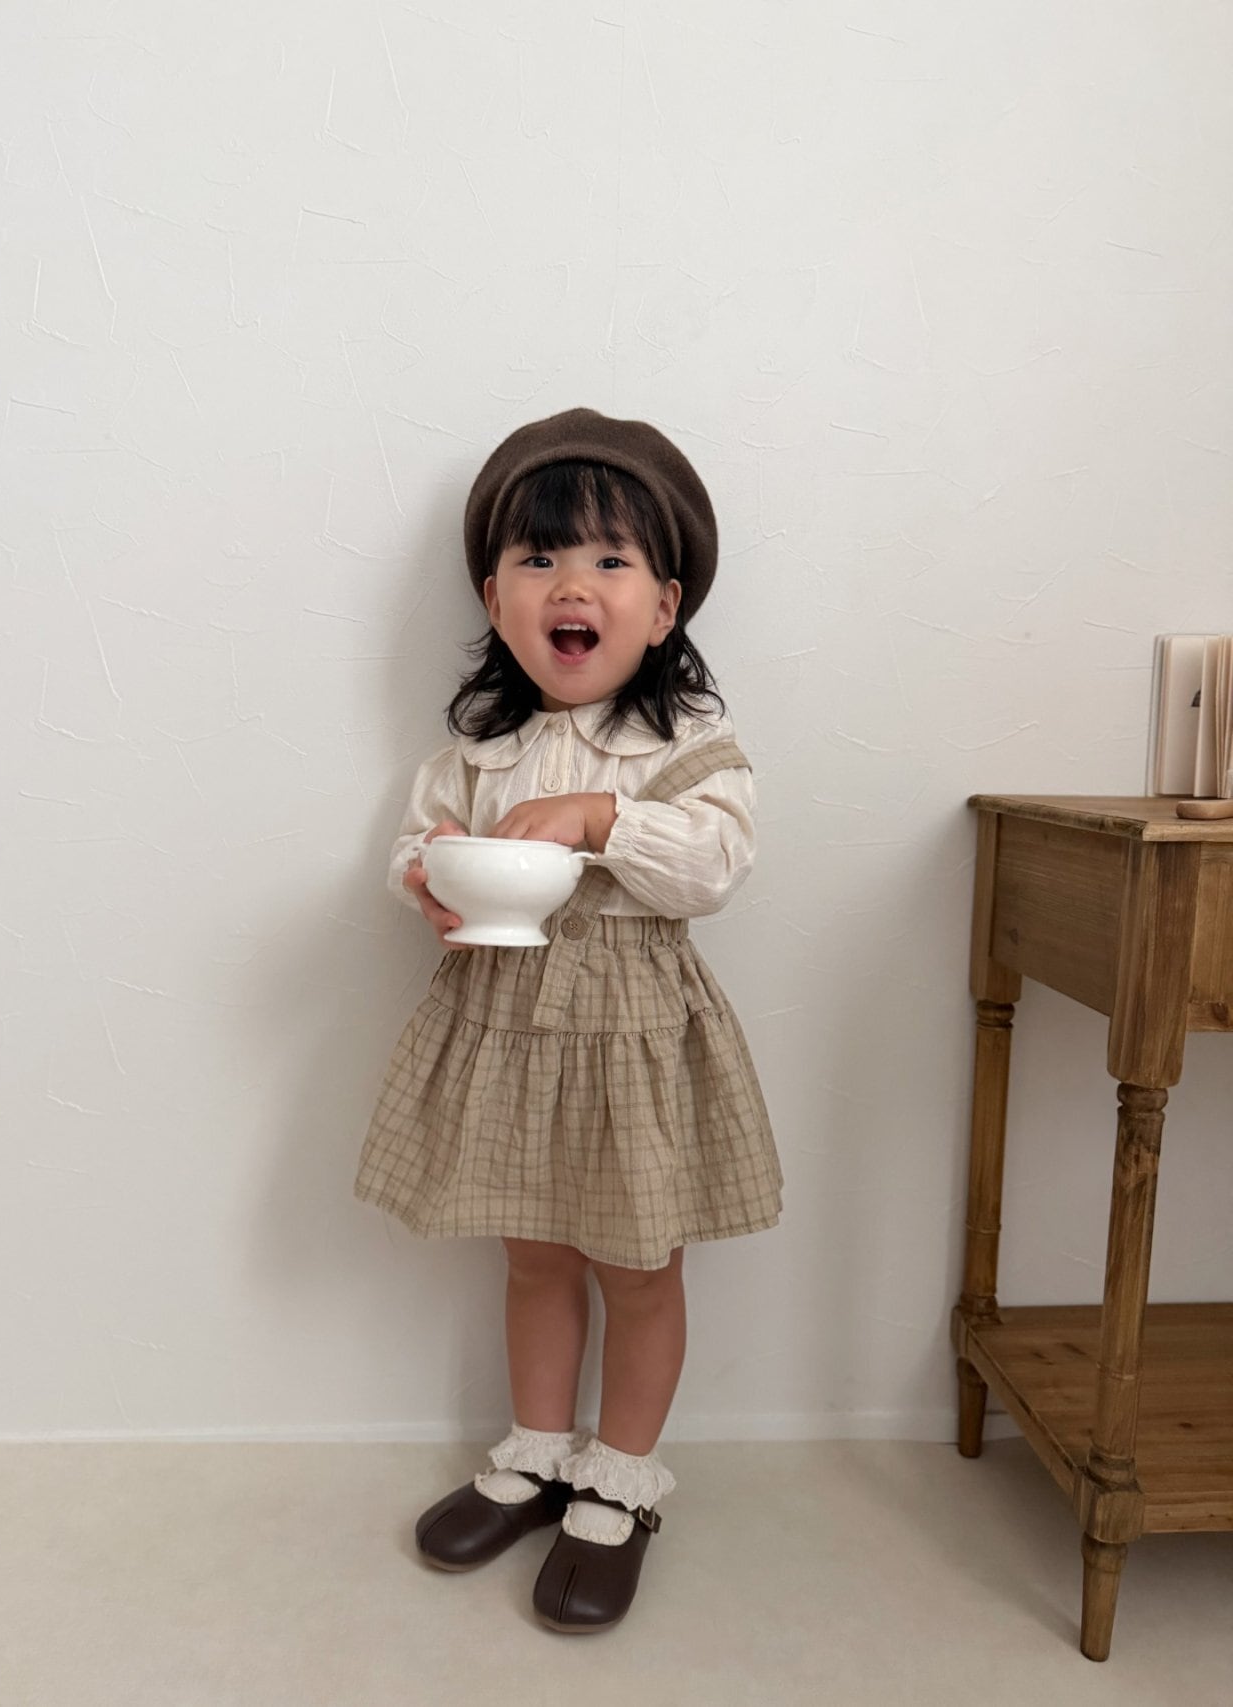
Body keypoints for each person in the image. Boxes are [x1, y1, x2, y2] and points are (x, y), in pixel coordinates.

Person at [354, 406, 782, 1633]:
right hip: (502, 1023)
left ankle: (619, 1483)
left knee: (637, 1263)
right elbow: (413, 845)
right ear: (496, 599)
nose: (571, 585)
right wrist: (427, 881)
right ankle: (537, 1452)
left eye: (608, 559)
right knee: (531, 1248)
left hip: (632, 1028)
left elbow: (715, 865)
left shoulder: (680, 742)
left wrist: (600, 817)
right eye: (538, 559)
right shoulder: (478, 747)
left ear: (664, 605)